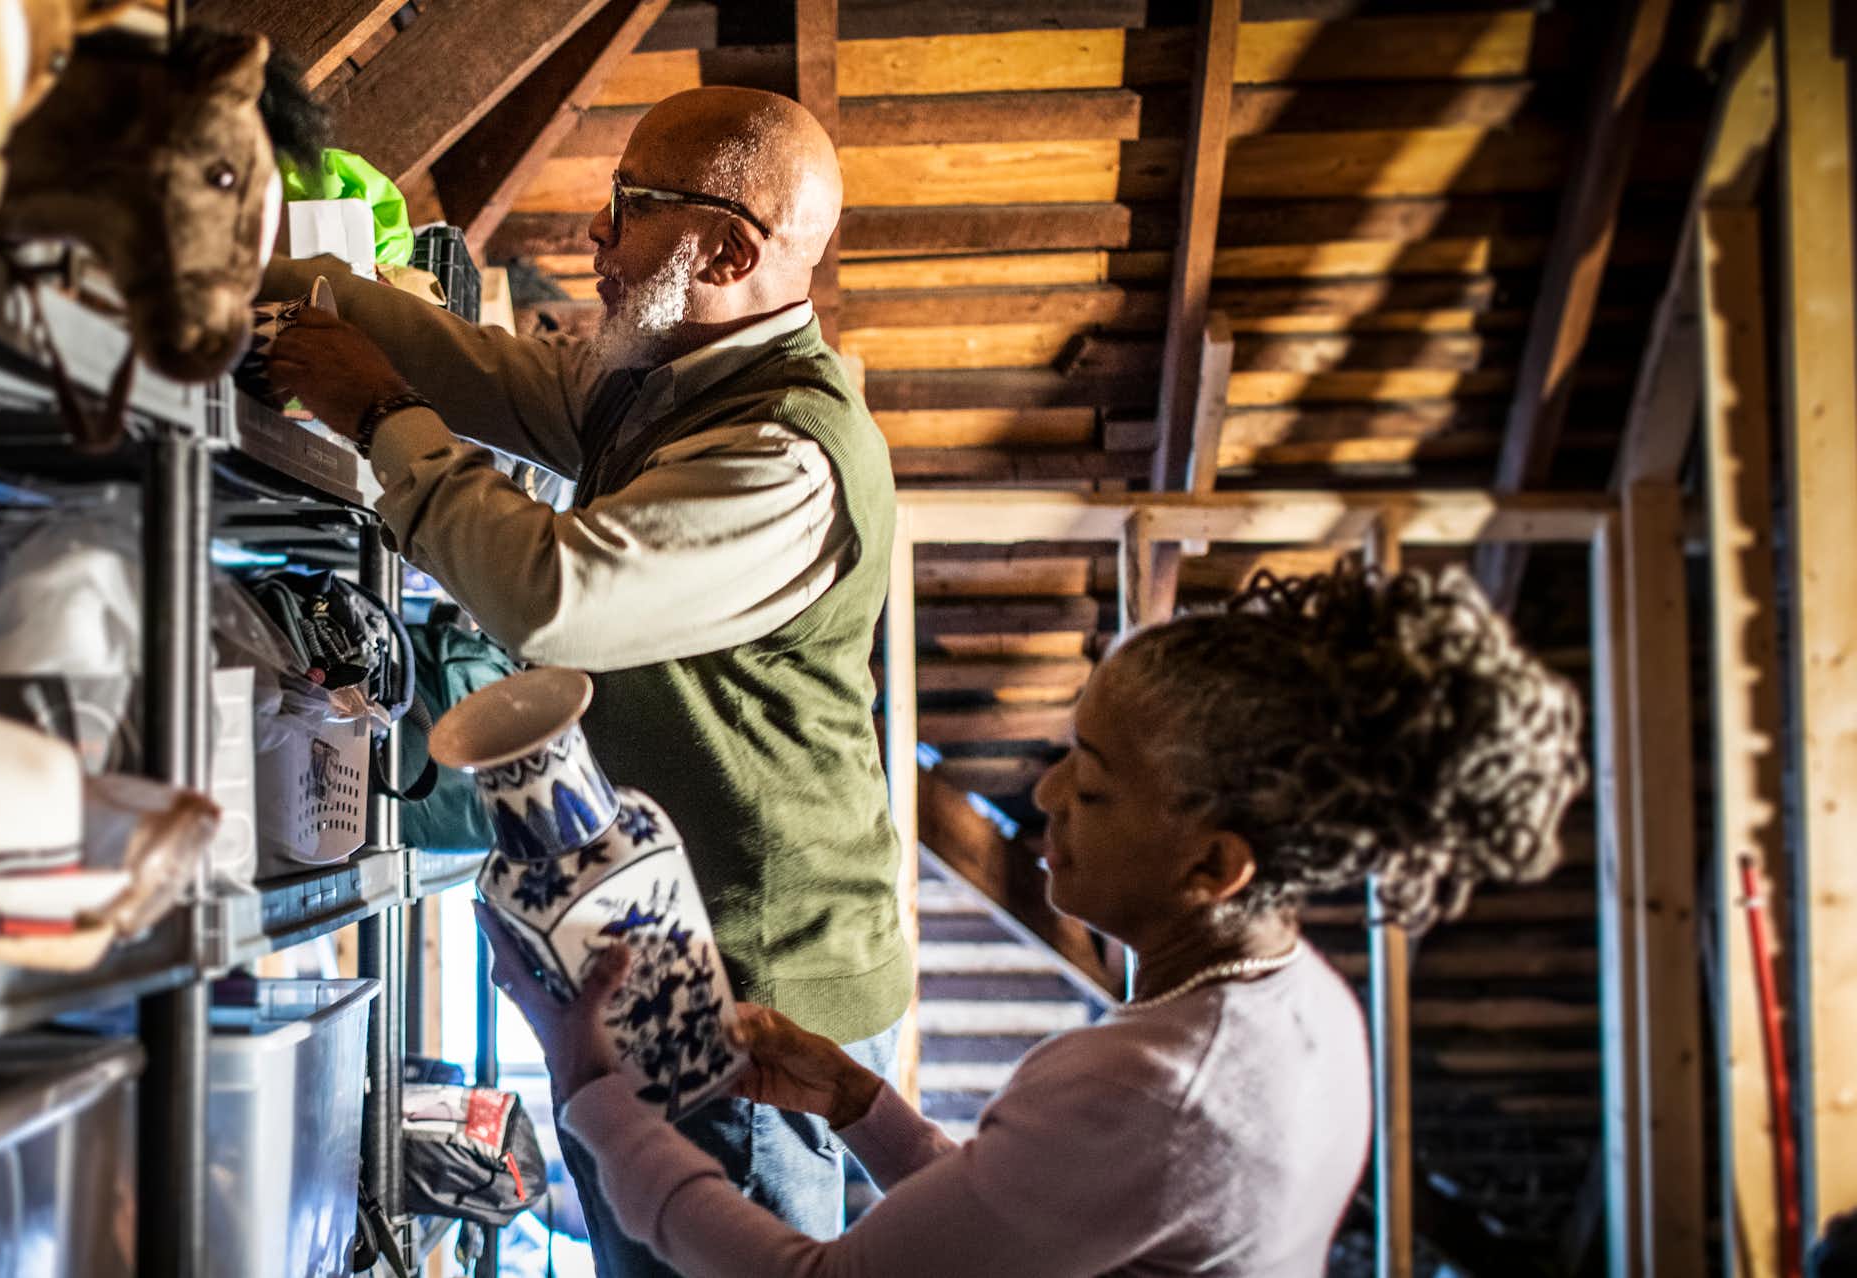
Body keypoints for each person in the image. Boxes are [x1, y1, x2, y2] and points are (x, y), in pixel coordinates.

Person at [484, 567, 1591, 1276]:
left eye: (1095, 784)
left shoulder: (1154, 1084)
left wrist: (592, 1093)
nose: (1048, 797)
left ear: (1213, 864)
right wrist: (860, 1105)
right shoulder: (1305, 1007)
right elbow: (1036, 1228)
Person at [261, 86, 907, 1271]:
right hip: (661, 960)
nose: (594, 243)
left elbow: (550, 596)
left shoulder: (782, 456)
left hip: (744, 1002)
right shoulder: (670, 377)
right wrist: (284, 280)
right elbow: (487, 372)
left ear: (727, 247)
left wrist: (381, 414)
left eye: (628, 209)